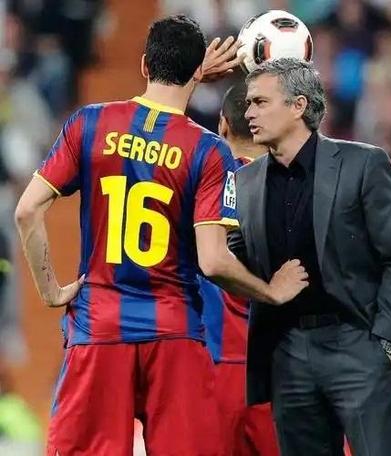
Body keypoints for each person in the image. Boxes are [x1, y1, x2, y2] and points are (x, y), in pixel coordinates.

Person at [14, 16, 308, 455]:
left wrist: (51, 290)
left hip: (99, 327)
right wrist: (271, 292)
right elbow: (213, 261)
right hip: (174, 333)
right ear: (197, 71)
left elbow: (26, 211)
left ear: (143, 65)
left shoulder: (89, 124)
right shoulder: (208, 150)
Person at [229, 58, 391, 456]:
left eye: (260, 102)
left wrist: (385, 345)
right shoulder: (244, 182)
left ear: (298, 106)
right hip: (287, 351)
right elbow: (235, 261)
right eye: (248, 103)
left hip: (356, 341)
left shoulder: (363, 163)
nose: (249, 113)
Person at [199, 80, 279, 456]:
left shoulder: (196, 182)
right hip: (278, 371)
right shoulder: (302, 189)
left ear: (223, 124)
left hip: (210, 367)